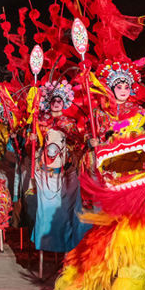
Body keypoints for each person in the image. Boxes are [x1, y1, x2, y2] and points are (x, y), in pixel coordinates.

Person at [28, 81, 88, 254]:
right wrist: (32, 138)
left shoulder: (70, 123)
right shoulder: (39, 122)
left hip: (66, 174)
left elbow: (78, 144)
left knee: (65, 212)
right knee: (45, 211)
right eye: (53, 100)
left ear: (64, 102)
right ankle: (44, 245)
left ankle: (66, 248)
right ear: (49, 102)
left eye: (59, 100)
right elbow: (31, 148)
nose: (56, 103)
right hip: (45, 174)